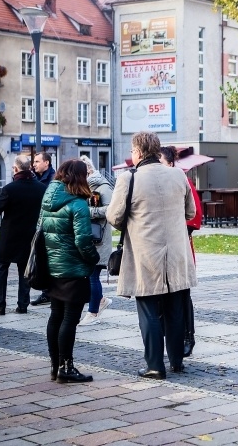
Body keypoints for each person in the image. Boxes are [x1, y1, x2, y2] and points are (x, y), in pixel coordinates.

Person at [107, 131, 196, 379]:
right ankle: (177, 361)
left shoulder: (128, 179)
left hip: (145, 254)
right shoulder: (178, 175)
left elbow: (114, 217)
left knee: (148, 310)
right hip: (176, 253)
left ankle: (155, 365)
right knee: (175, 309)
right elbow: (190, 212)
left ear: (137, 152)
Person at [42, 159, 100, 382]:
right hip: (73, 270)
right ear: (80, 177)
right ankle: (66, 367)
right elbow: (84, 241)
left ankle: (55, 366)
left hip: (52, 267)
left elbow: (40, 231)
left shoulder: (48, 199)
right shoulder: (78, 204)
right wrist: (93, 260)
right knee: (70, 319)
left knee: (56, 315)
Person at [0, 155, 47, 315]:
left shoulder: (10, 189)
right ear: (29, 168)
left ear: (16, 169)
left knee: (1, 269)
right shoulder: (40, 188)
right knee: (24, 272)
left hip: (9, 237)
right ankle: (23, 306)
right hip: (29, 237)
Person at [159, 145, 201, 355]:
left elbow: (195, 214)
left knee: (182, 294)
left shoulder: (182, 179)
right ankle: (170, 336)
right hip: (159, 248)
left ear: (171, 163)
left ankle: (187, 336)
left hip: (180, 245)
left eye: (161, 161)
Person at [77, 155, 113, 327]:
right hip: (89, 237)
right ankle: (100, 301)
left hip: (99, 238)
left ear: (88, 171)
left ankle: (93, 312)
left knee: (93, 275)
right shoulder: (85, 187)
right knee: (89, 275)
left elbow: (110, 210)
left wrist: (87, 211)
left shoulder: (102, 187)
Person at [31, 151, 57, 307]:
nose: (34, 164)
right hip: (39, 223)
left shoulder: (52, 180)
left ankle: (49, 292)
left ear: (46, 163)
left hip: (48, 225)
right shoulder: (37, 178)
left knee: (49, 259)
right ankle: (47, 291)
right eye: (34, 161)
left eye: (37, 161)